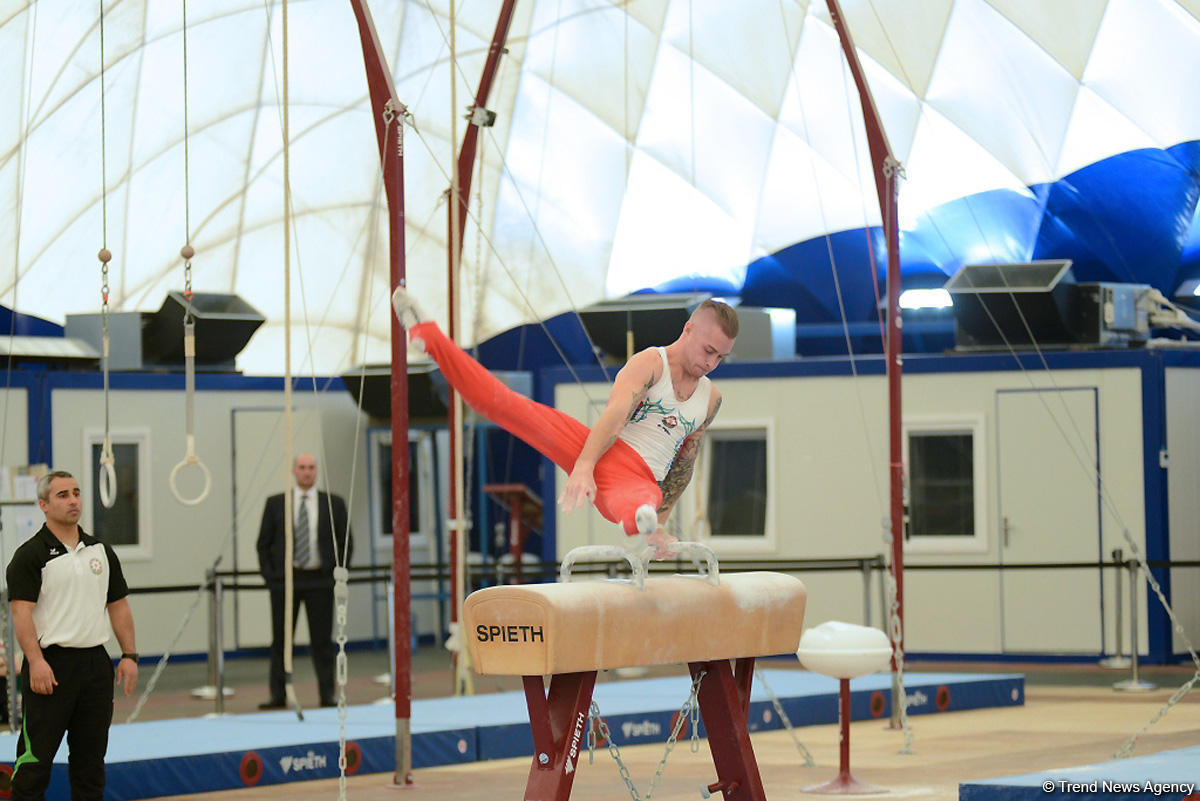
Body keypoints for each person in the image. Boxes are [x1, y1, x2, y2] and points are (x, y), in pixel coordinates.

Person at [392, 287, 737, 558]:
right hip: (600, 446)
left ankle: (644, 523)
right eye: (709, 351)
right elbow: (614, 416)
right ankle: (430, 336)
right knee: (507, 406)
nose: (712, 363)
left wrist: (660, 522)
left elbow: (684, 465)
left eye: (721, 357)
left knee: (639, 499)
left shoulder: (710, 399)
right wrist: (585, 466)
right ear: (689, 329)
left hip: (637, 478)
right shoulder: (650, 362)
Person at [5, 470, 138, 801]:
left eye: (76, 493)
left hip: (95, 665)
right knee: (35, 764)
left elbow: (118, 605)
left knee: (90, 765)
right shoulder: (30, 555)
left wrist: (129, 655)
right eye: (63, 495)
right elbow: (21, 614)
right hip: (51, 666)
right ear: (44, 505)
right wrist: (35, 662)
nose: (73, 500)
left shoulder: (101, 552)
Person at [256, 453, 353, 709]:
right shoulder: (276, 503)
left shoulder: (333, 504)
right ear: (293, 471)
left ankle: (327, 694)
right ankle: (278, 695)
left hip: (320, 580)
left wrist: (338, 574)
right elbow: (263, 544)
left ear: (317, 471)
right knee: (281, 641)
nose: (307, 472)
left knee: (322, 642)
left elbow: (345, 542)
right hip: (285, 582)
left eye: (311, 468)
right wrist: (271, 577)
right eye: (302, 467)